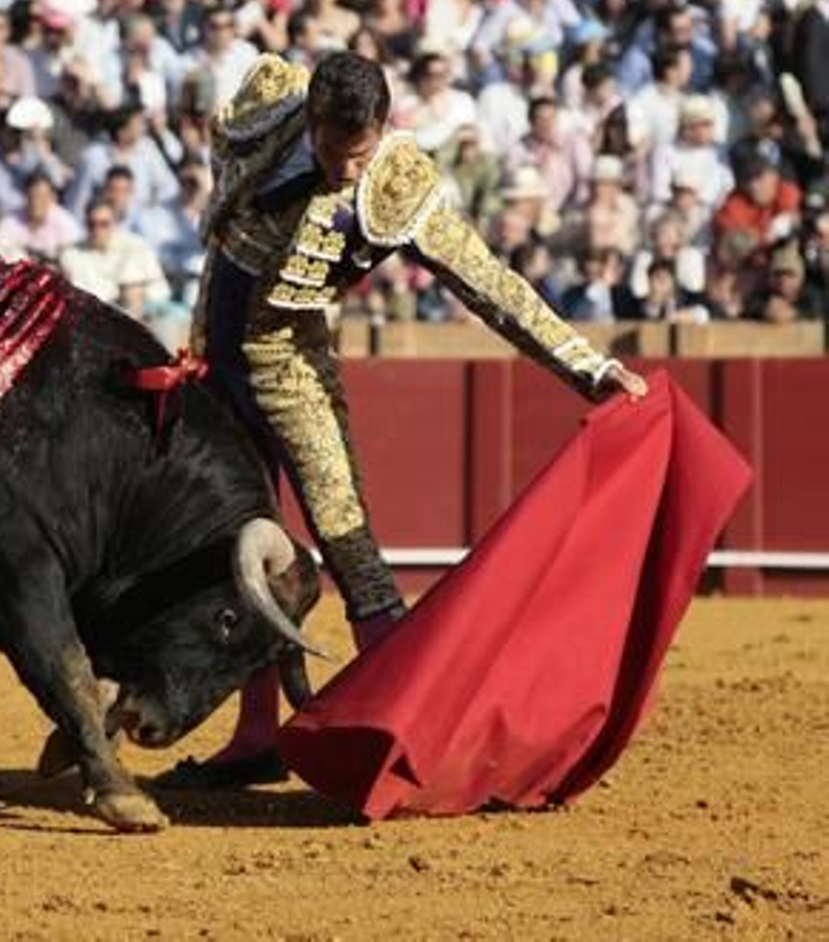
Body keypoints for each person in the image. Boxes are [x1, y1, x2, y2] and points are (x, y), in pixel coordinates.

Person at [159, 52, 647, 788]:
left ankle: (407, 732)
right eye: (328, 152)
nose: (342, 173)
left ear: (381, 130)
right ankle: (257, 733)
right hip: (213, 363)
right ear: (309, 121)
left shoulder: (395, 184)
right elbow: (225, 229)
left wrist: (589, 367)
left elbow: (490, 283)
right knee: (235, 550)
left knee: (347, 541)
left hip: (289, 371)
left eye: (355, 156)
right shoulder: (270, 104)